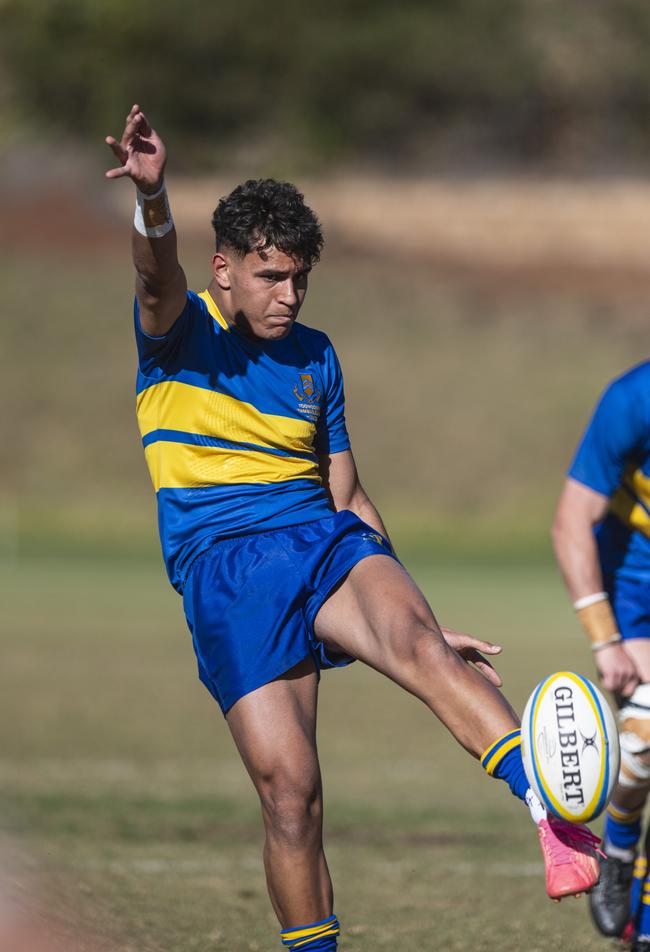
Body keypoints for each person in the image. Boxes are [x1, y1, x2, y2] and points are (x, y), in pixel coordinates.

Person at [106, 104, 601, 951]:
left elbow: (351, 498)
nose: (288, 295)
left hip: (321, 540)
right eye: (270, 277)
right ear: (223, 271)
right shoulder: (175, 335)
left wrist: (420, 616)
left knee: (419, 650)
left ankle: (556, 818)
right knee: (290, 796)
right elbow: (155, 270)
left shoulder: (316, 356)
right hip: (223, 572)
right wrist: (155, 199)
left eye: (300, 277)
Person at [553, 360, 650, 952]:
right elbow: (570, 523)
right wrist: (604, 637)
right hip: (634, 584)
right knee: (645, 734)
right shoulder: (632, 400)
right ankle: (618, 849)